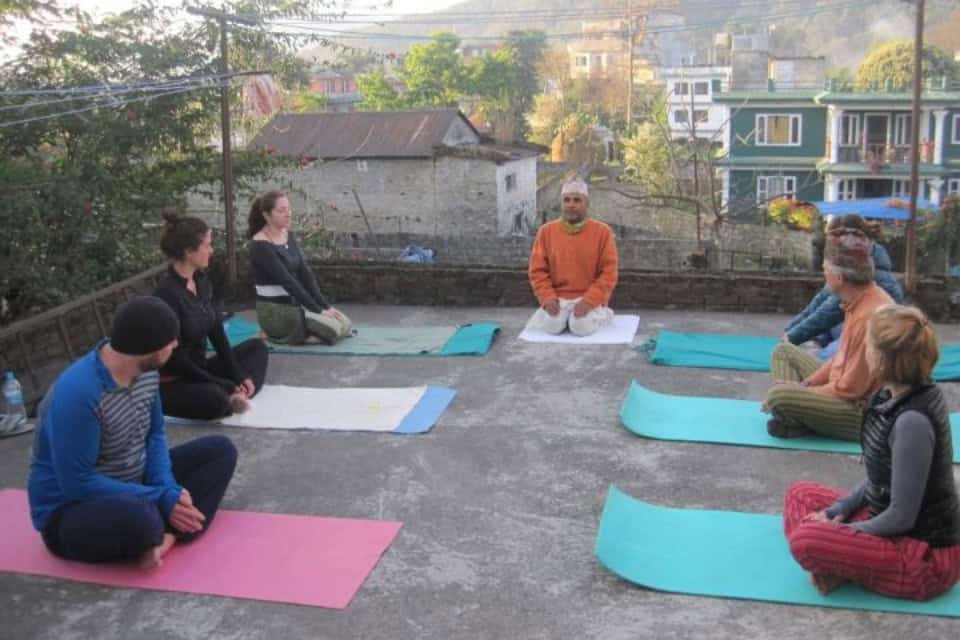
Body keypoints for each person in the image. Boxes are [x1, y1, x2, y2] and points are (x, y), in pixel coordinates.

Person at [27, 297, 238, 569]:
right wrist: (160, 498)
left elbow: (155, 436)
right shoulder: (79, 394)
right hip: (72, 508)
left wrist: (167, 488)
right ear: (147, 348)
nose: (175, 346)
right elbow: (77, 483)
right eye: (170, 341)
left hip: (135, 482)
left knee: (220, 452)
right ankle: (158, 528)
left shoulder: (146, 373)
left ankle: (168, 535)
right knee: (142, 519)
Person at [783, 304, 960, 600]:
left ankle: (836, 562)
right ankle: (837, 563)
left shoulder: (912, 422)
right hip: (887, 517)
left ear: (882, 359)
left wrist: (842, 534)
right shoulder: (889, 394)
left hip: (923, 555)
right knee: (800, 495)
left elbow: (901, 517)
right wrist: (836, 511)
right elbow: (883, 478)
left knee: (806, 539)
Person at [764, 226, 894, 441]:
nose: (823, 274)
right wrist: (805, 385)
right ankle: (798, 419)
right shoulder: (857, 299)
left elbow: (851, 390)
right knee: (784, 352)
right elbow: (840, 360)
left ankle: (794, 417)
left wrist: (801, 393)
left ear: (839, 277)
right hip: (843, 387)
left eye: (825, 269)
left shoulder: (870, 315)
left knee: (777, 396)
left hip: (861, 412)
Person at [153, 212, 268, 420]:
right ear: (189, 252)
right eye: (207, 245)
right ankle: (228, 398)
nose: (211, 251)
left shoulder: (202, 280)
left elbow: (215, 328)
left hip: (201, 368)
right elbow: (176, 359)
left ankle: (238, 394)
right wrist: (220, 383)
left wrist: (237, 375)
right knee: (215, 400)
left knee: (257, 349)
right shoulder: (167, 294)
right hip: (176, 380)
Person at [247, 191, 353, 345]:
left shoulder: (287, 235)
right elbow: (288, 281)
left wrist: (324, 306)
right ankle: (279, 332)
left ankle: (306, 330)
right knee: (334, 330)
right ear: (267, 216)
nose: (288, 214)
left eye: (289, 209)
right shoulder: (260, 245)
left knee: (345, 324)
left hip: (296, 305)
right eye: (281, 210)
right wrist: (318, 311)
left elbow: (305, 274)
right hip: (276, 311)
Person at [784, 214, 903, 347]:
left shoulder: (866, 272)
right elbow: (822, 300)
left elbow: (829, 312)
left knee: (825, 342)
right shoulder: (853, 262)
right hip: (857, 332)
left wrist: (790, 337)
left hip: (876, 341)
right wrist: (789, 329)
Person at [526, 177, 619, 337]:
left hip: (587, 297)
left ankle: (598, 314)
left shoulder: (602, 232)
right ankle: (564, 318)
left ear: (586, 203)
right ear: (561, 203)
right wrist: (547, 298)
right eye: (566, 200)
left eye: (577, 200)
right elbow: (537, 271)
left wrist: (589, 301)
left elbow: (609, 273)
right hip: (558, 298)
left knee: (580, 327)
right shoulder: (546, 231)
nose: (571, 205)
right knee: (551, 327)